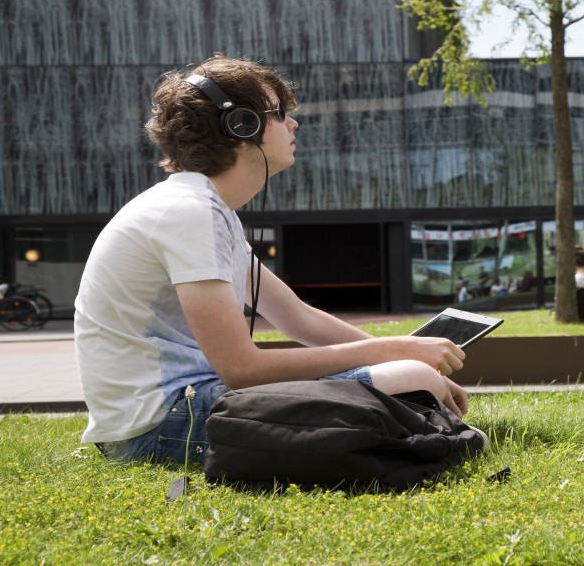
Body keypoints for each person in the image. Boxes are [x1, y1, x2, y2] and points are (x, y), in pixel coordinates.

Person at [75, 55, 476, 465]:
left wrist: (402, 351)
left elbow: (298, 317)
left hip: (189, 406)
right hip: (160, 425)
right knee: (412, 379)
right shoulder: (187, 212)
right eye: (279, 113)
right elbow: (242, 370)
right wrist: (394, 355)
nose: (293, 124)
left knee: (411, 376)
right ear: (240, 126)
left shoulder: (208, 211)